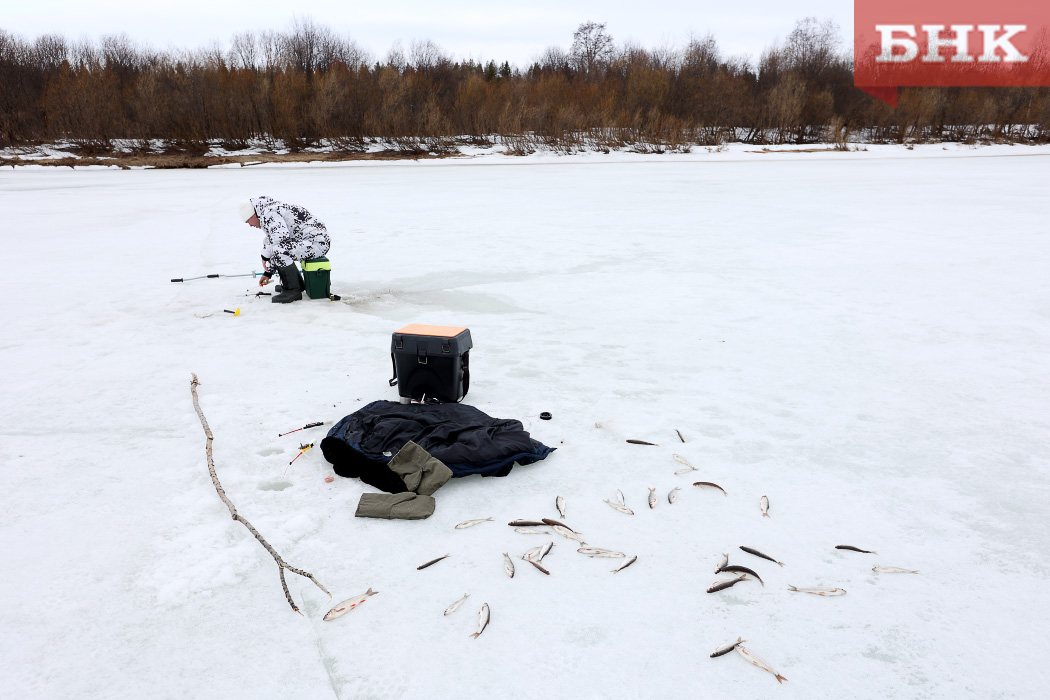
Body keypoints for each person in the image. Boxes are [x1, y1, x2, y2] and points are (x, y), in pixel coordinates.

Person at [238, 196, 331, 303]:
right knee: (278, 249)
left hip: (317, 243)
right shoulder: (268, 211)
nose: (250, 225)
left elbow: (279, 240)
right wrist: (268, 273)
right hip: (310, 241)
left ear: (253, 215)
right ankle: (296, 285)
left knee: (279, 249)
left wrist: (265, 255)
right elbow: (272, 241)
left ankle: (292, 290)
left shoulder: (269, 213)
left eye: (248, 221)